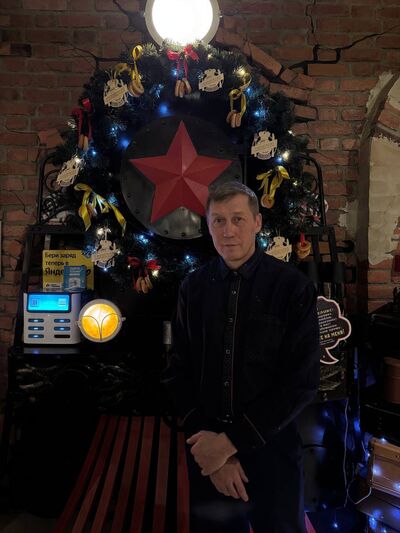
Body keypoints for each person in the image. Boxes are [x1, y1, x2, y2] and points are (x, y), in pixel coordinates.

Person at [163, 181, 320, 533]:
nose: (228, 231)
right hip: (208, 455)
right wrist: (216, 455)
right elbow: (178, 371)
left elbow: (301, 382)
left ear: (257, 223)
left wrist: (230, 443)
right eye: (218, 221)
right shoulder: (193, 288)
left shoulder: (293, 288)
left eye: (237, 219)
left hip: (273, 454)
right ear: (208, 226)